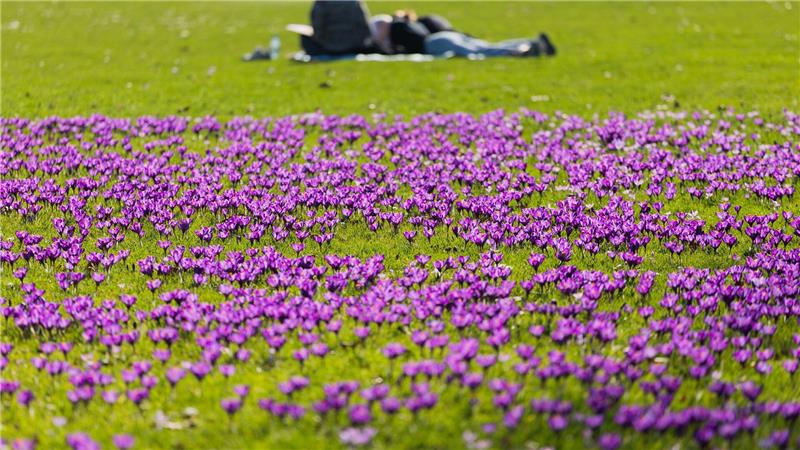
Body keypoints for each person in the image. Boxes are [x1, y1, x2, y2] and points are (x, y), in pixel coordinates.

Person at [373, 12, 556, 58]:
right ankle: (532, 43)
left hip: (434, 43)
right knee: (486, 45)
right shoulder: (417, 21)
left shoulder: (390, 24)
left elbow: (382, 43)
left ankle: (519, 51)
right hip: (449, 34)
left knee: (481, 53)